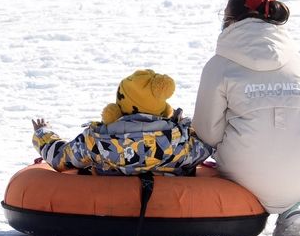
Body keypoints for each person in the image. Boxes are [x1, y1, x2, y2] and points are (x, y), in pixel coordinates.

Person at [194, 0, 300, 236]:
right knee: (296, 135)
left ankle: (288, 208)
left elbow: (207, 133)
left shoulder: (220, 65)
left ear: (230, 19)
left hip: (249, 176)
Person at [29, 70, 209, 174]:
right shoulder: (180, 142)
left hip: (106, 208)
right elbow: (209, 145)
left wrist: (43, 134)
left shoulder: (96, 140)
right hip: (166, 210)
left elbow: (60, 158)